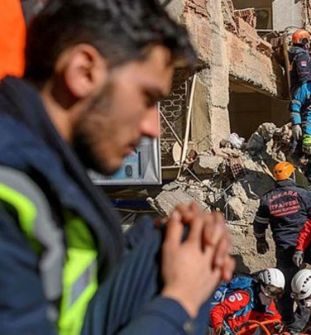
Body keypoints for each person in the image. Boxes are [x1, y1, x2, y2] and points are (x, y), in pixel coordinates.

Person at [0, 1, 235, 334]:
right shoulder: (9, 187)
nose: (153, 128)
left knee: (182, 242)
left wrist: (161, 240)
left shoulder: (41, 168)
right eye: (146, 97)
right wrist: (179, 301)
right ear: (84, 72)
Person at [253, 161, 311, 330]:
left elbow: (259, 224)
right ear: (292, 175)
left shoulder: (267, 198)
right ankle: (303, 322)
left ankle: (286, 320)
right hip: (307, 246)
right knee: (310, 284)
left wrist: (261, 240)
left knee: (284, 285)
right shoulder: (303, 194)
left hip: (284, 248)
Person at [210, 268, 284, 335]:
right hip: (226, 329)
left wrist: (279, 328)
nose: (272, 297)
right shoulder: (244, 297)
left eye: (277, 293)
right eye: (270, 290)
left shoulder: (269, 305)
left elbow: (274, 319)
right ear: (261, 285)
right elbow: (217, 311)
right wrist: (219, 328)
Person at [289, 29, 311, 147]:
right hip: (305, 93)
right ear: (304, 41)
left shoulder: (297, 54)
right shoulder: (301, 56)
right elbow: (305, 76)